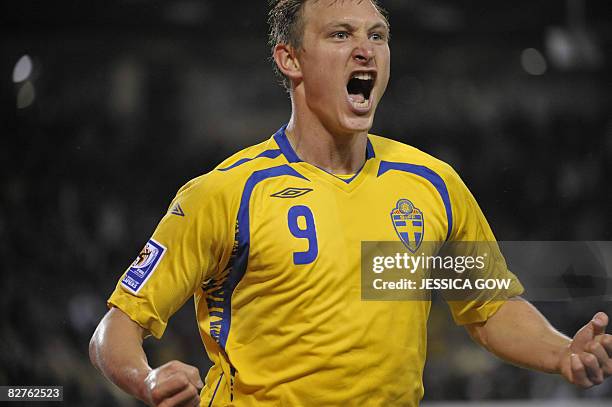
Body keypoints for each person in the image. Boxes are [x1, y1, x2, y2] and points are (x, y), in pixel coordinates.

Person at [89, 1, 612, 406]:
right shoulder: (224, 193)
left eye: (377, 36)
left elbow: (490, 308)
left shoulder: (433, 184)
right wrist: (148, 377)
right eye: (340, 35)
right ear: (289, 58)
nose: (365, 50)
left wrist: (561, 352)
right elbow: (114, 330)